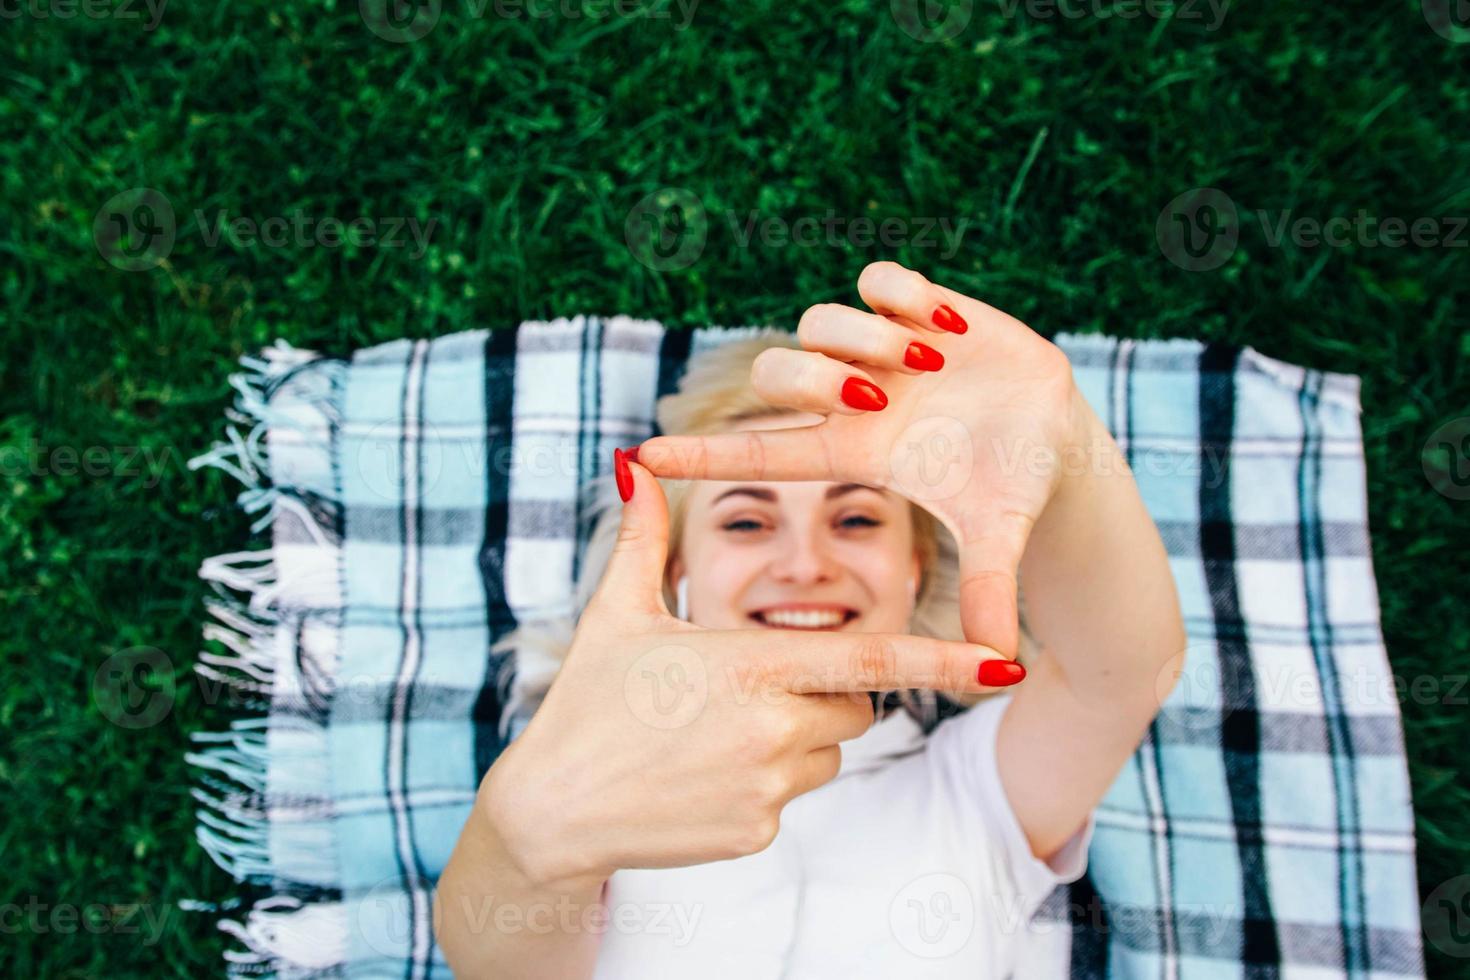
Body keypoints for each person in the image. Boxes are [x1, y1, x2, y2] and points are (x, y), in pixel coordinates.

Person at [435, 262, 1186, 978]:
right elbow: (495, 964)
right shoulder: (591, 778)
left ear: (916, 567)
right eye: (746, 523)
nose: (804, 564)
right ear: (676, 573)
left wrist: (1062, 445)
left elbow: (1118, 673)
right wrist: (528, 833)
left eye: (856, 518)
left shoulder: (974, 788)